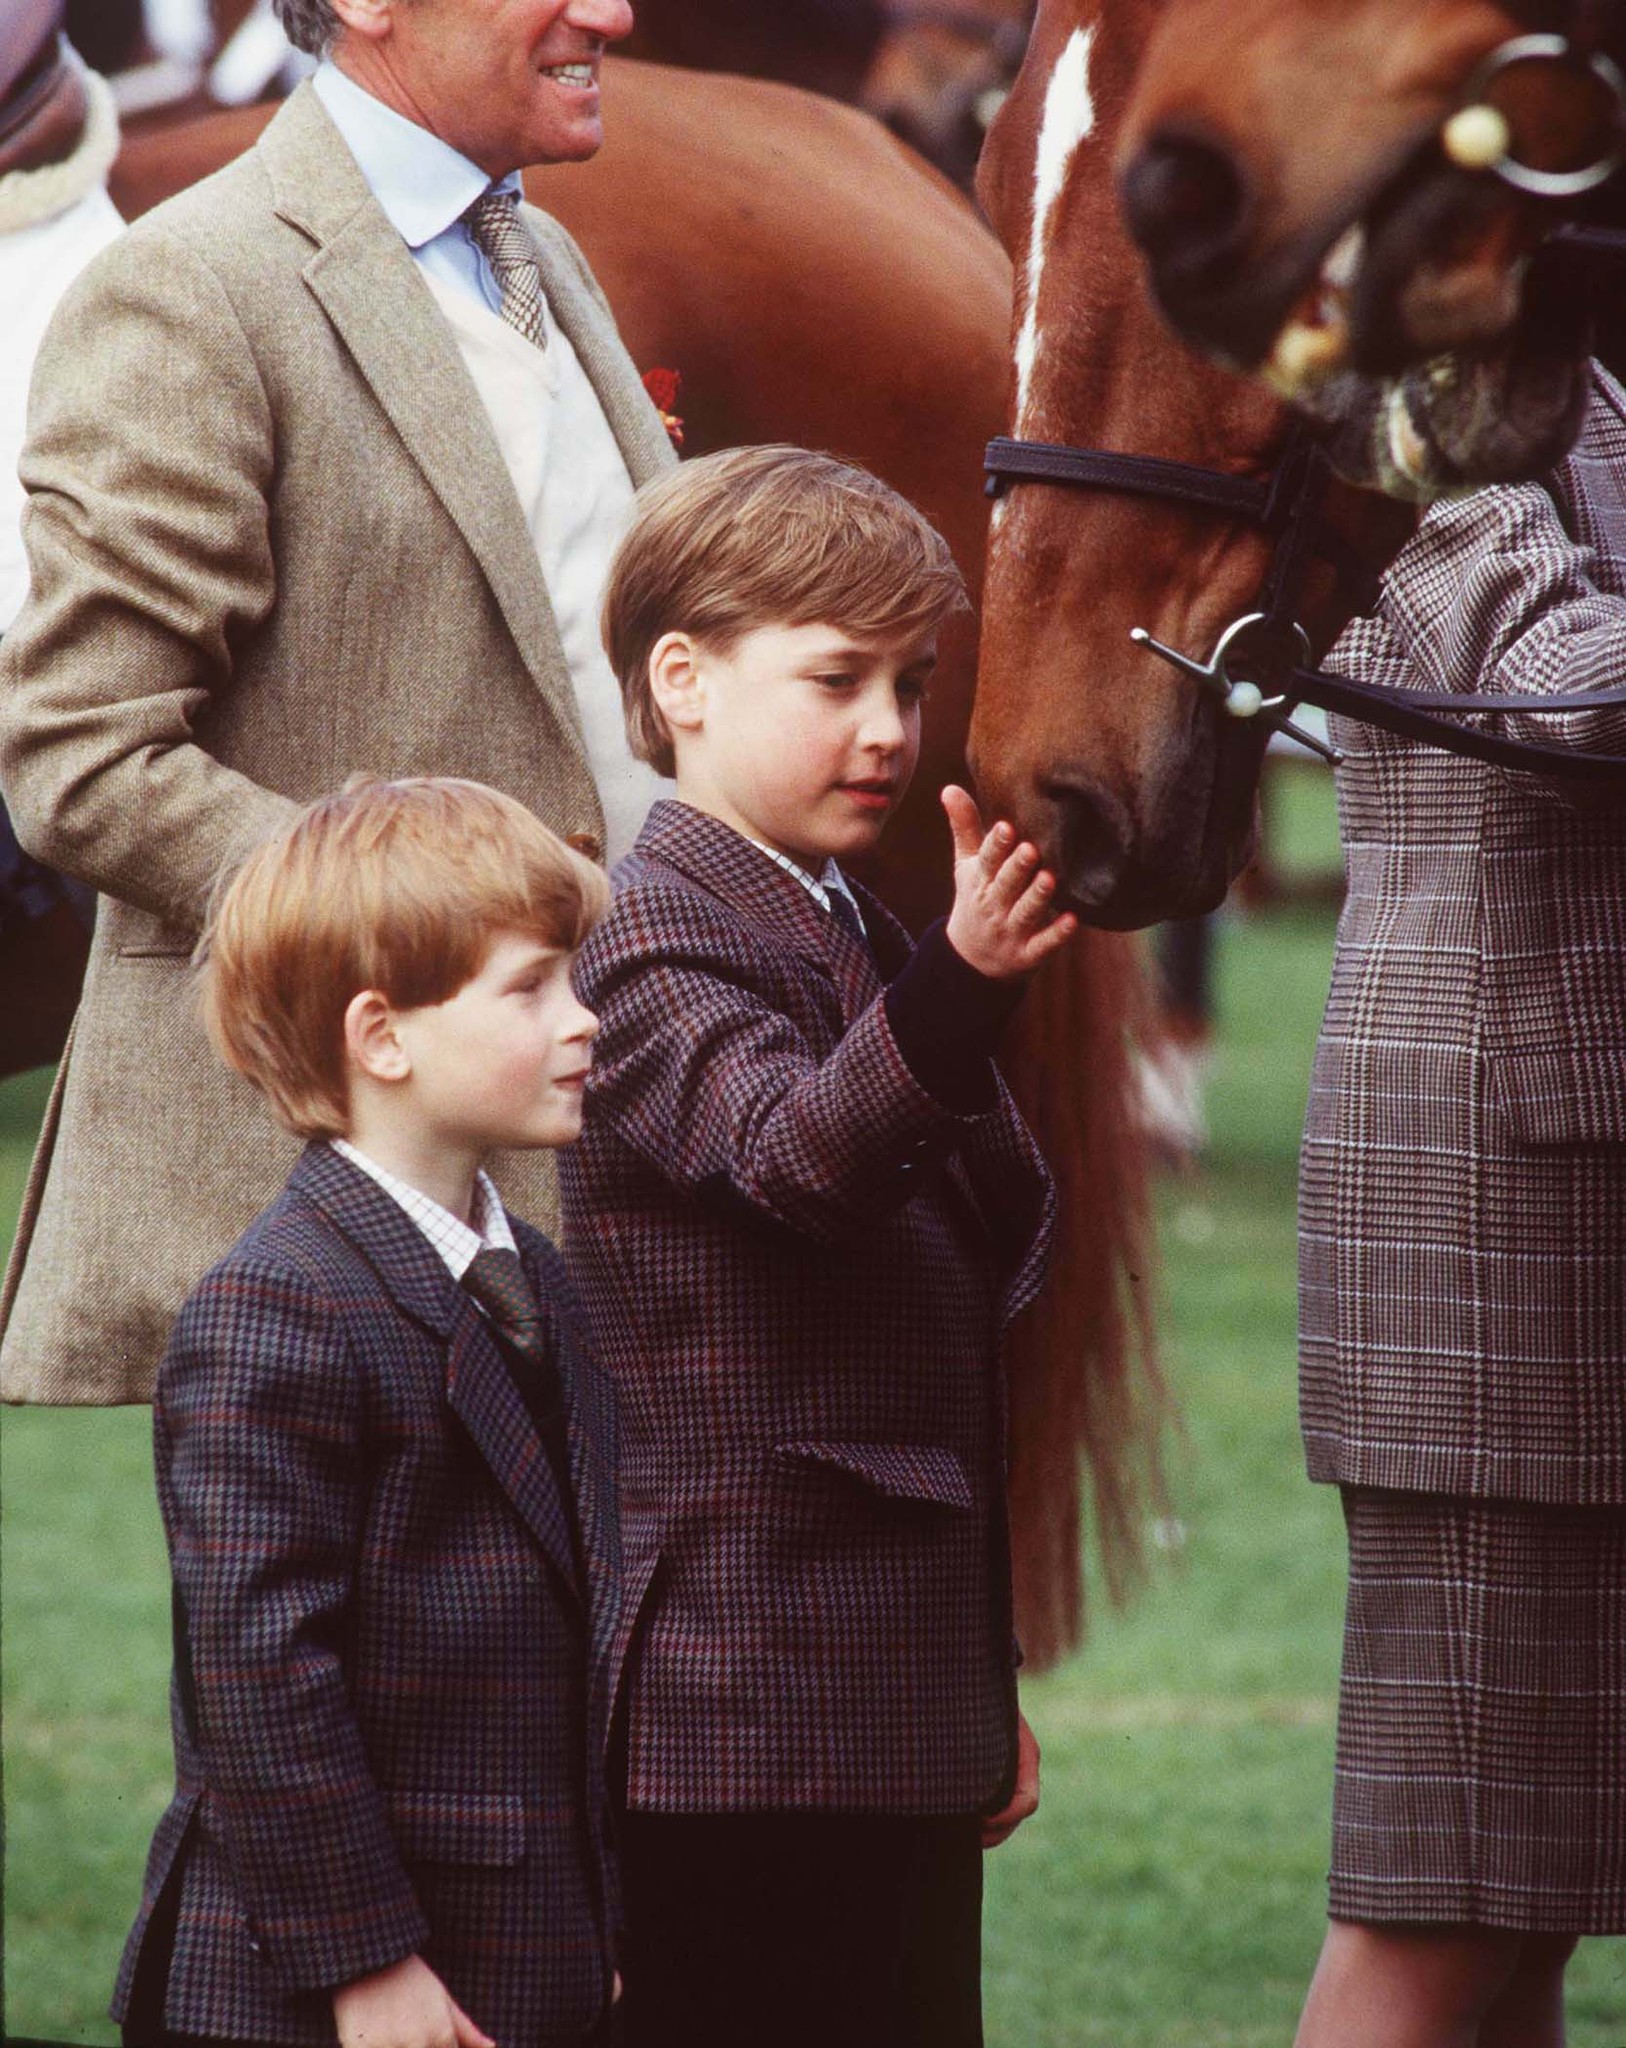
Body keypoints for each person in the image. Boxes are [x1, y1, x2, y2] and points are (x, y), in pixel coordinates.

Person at [0, 0, 676, 1407]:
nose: (611, 11)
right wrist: (433, 926)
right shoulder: (190, 282)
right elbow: (81, 749)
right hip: (339, 1236)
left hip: (608, 1187)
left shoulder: (540, 253)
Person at [559, 447, 1073, 2048]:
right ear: (682, 680)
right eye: (836, 677)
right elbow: (797, 1162)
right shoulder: (648, 933)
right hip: (744, 1704)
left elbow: (965, 1257)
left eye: (909, 682)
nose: (888, 729)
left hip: (886, 1690)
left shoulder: (847, 921)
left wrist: (973, 1681)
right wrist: (963, 989)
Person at [115, 775, 625, 2048]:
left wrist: (601, 1927)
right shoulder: (276, 1305)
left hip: (522, 1955)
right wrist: (365, 1959)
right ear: (382, 1035)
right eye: (531, 987)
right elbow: (260, 1674)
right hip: (316, 1989)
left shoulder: (542, 1283)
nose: (583, 1020)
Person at [1293, 372, 1626, 2048]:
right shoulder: (1408, 395)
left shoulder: (1589, 395)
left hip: (1562, 1216)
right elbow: (1568, 697)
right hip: (1494, 1241)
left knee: (1528, 1910)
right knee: (1442, 1913)